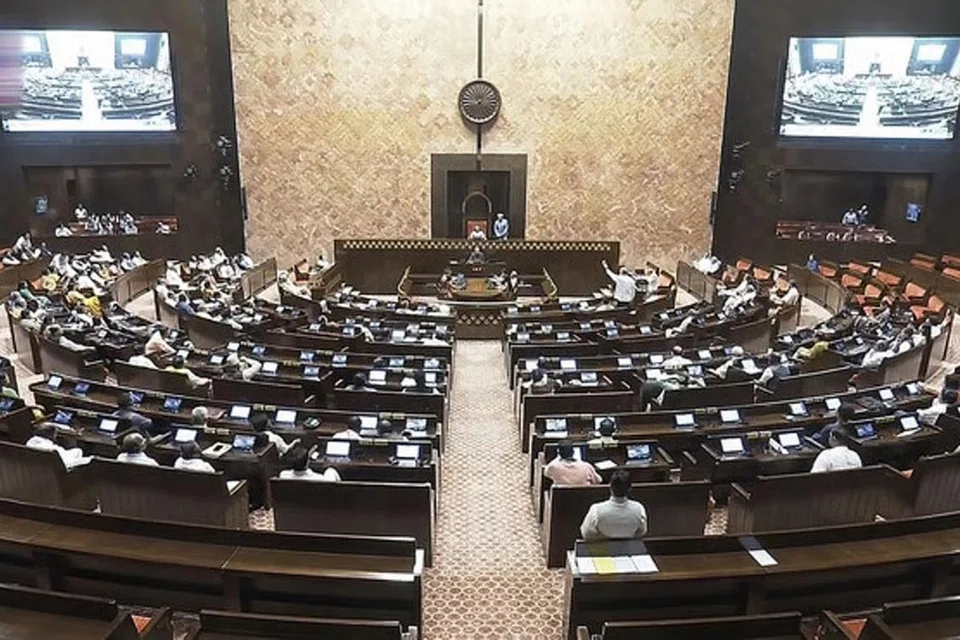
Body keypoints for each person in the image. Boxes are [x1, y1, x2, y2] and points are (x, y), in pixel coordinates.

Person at [579, 469, 648, 541]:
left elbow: (586, 534)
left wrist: (604, 539)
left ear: (610, 487)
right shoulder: (639, 509)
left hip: (603, 547)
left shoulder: (596, 510)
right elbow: (641, 532)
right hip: (629, 547)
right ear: (629, 489)